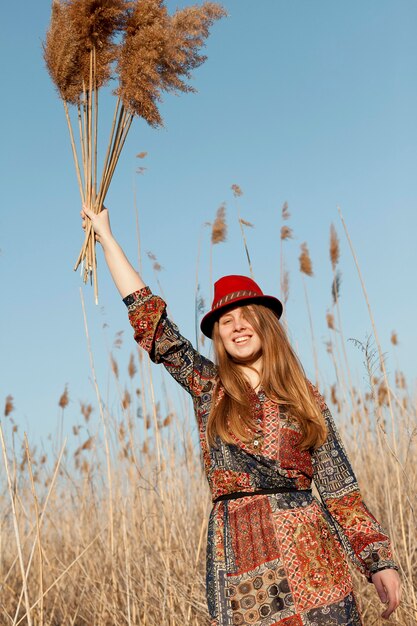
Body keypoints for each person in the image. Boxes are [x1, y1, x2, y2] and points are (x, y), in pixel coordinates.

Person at [81, 205, 401, 626]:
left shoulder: (305, 398)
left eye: (246, 316)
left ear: (265, 323)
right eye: (225, 321)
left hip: (313, 557)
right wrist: (106, 237)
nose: (237, 327)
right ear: (218, 337)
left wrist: (378, 561)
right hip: (237, 560)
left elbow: (341, 490)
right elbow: (154, 327)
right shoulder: (208, 388)